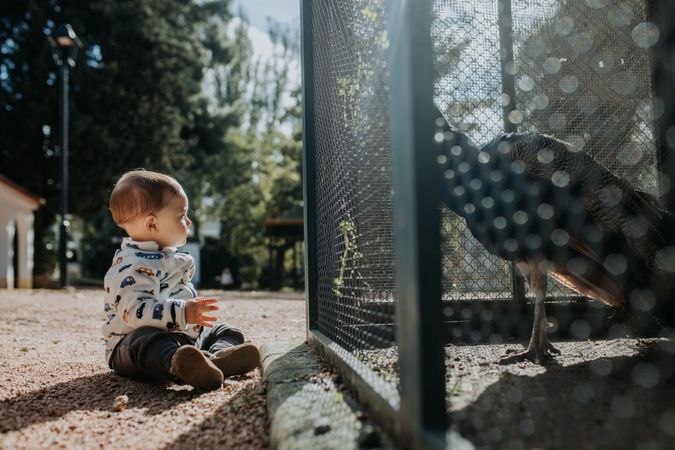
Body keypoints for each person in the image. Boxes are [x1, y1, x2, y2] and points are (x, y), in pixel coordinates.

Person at [102, 169, 259, 390]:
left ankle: (213, 360)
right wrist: (183, 312)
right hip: (129, 345)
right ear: (152, 224)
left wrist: (190, 317)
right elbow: (135, 312)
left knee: (226, 331)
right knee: (146, 340)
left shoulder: (167, 257)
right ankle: (179, 366)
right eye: (181, 215)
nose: (189, 222)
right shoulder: (132, 265)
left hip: (182, 337)